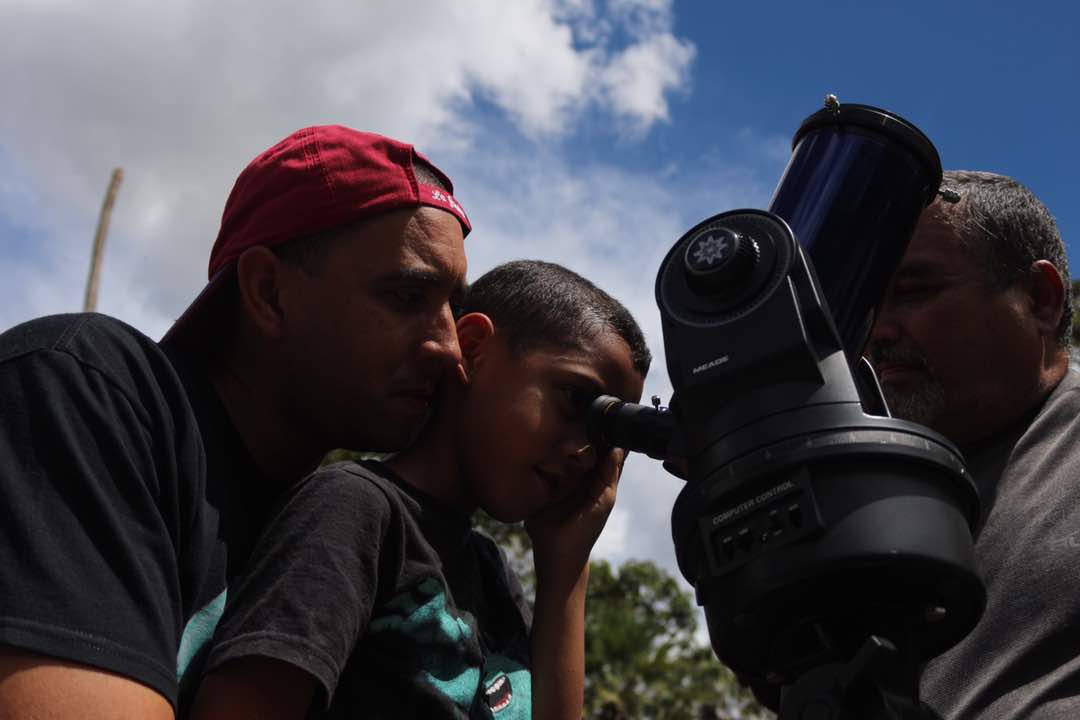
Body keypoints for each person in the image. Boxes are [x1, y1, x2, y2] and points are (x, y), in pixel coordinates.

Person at [0, 126, 472, 719]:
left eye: (454, 307)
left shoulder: (335, 528)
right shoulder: (84, 394)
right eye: (407, 297)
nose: (450, 348)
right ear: (268, 291)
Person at [187, 260, 651, 719]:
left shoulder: (492, 577)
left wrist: (565, 568)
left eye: (605, 438)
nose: (585, 454)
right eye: (575, 401)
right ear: (472, 349)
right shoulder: (356, 511)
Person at [864, 170, 1077, 718]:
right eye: (865, 307)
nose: (877, 331)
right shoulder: (872, 498)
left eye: (913, 292)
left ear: (1040, 298)